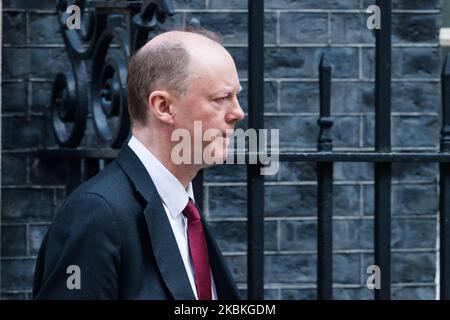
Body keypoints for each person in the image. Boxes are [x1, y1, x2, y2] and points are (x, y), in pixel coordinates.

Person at [32, 29, 245, 299]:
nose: (238, 112)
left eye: (237, 96)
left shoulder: (184, 211)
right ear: (164, 106)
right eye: (221, 98)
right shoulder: (96, 215)